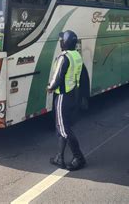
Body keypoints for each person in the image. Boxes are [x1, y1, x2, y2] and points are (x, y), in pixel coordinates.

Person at [47, 30, 86, 171]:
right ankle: (59, 157)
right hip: (73, 94)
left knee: (63, 129)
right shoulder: (76, 55)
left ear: (64, 42)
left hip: (63, 95)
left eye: (61, 39)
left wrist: (50, 87)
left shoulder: (64, 57)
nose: (60, 41)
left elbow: (57, 78)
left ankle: (79, 157)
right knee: (63, 126)